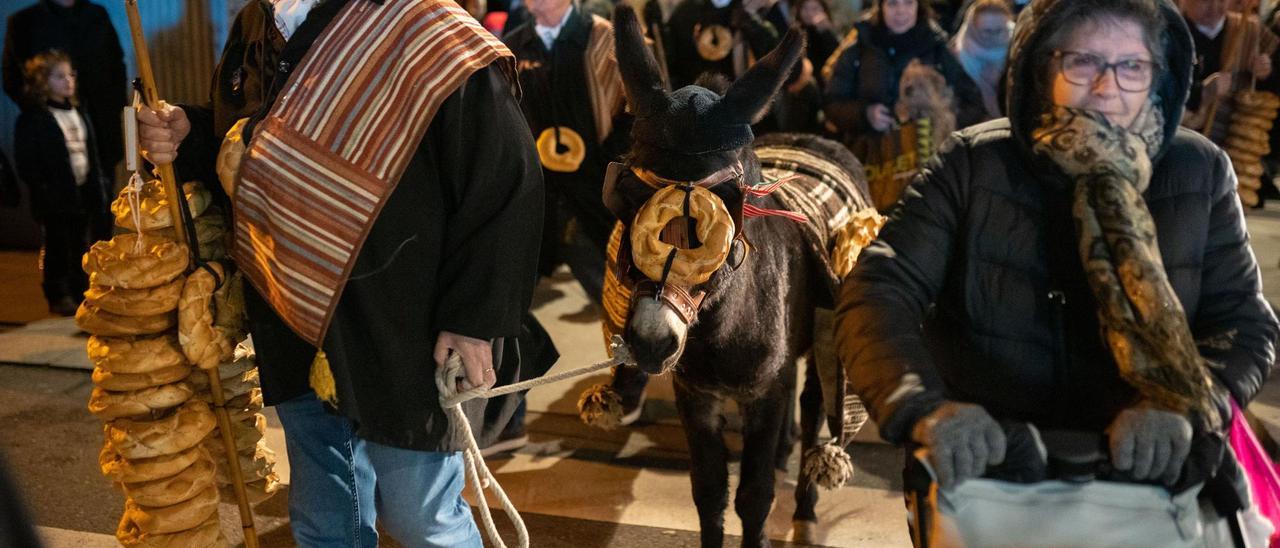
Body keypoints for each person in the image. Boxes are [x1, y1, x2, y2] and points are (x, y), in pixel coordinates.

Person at [836, 0, 1277, 543]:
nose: (1107, 86)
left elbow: (1243, 322)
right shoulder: (974, 163)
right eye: (1084, 62)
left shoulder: (1199, 170)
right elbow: (879, 289)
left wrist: (1187, 409)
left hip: (1147, 485)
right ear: (1041, 67)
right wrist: (924, 407)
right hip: (993, 473)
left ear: (1159, 75)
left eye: (1132, 66)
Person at [136, 0, 545, 545]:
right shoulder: (257, 25)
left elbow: (504, 178)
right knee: (326, 515)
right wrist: (192, 136)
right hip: (293, 305)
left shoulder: (421, 23)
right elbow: (256, 144)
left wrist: (473, 319)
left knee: (420, 517)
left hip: (405, 321)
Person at [13, 50, 111, 317]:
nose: (68, 81)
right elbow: (27, 162)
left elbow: (89, 152)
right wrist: (44, 188)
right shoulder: (34, 118)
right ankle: (57, 293)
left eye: (71, 74)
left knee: (81, 243)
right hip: (54, 197)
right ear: (43, 82)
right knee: (58, 245)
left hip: (80, 192)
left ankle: (81, 290)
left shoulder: (79, 111)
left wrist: (96, 186)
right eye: (59, 76)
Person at [824, 0, 984, 144]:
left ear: (918, 7)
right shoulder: (859, 49)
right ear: (881, 7)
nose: (901, 10)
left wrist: (941, 121)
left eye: (908, 2)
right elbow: (832, 104)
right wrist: (865, 114)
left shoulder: (936, 47)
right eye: (892, 3)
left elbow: (973, 102)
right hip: (873, 157)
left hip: (926, 156)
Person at [3, 0, 126, 180]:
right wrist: (41, 116)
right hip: (51, 137)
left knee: (103, 195)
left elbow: (116, 65)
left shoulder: (97, 14)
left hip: (101, 129)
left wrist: (115, 106)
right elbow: (12, 77)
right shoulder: (23, 21)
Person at [1179, 0, 1276, 139]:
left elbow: (1274, 87)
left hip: (1239, 140)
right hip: (1188, 139)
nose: (1214, 8)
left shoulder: (1249, 30)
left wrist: (1266, 73)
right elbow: (1162, 91)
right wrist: (1203, 91)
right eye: (1204, 2)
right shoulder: (1172, 34)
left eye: (1221, 1)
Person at [665, 0, 783, 88]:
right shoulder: (685, 12)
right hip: (694, 100)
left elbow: (775, 61)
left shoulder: (756, 8)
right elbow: (671, 63)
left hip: (740, 102)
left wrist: (751, 24)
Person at [950, 0, 1013, 121]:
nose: (994, 36)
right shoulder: (959, 56)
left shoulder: (1019, 42)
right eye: (987, 31)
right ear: (973, 28)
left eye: (999, 30)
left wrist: (1002, 80)